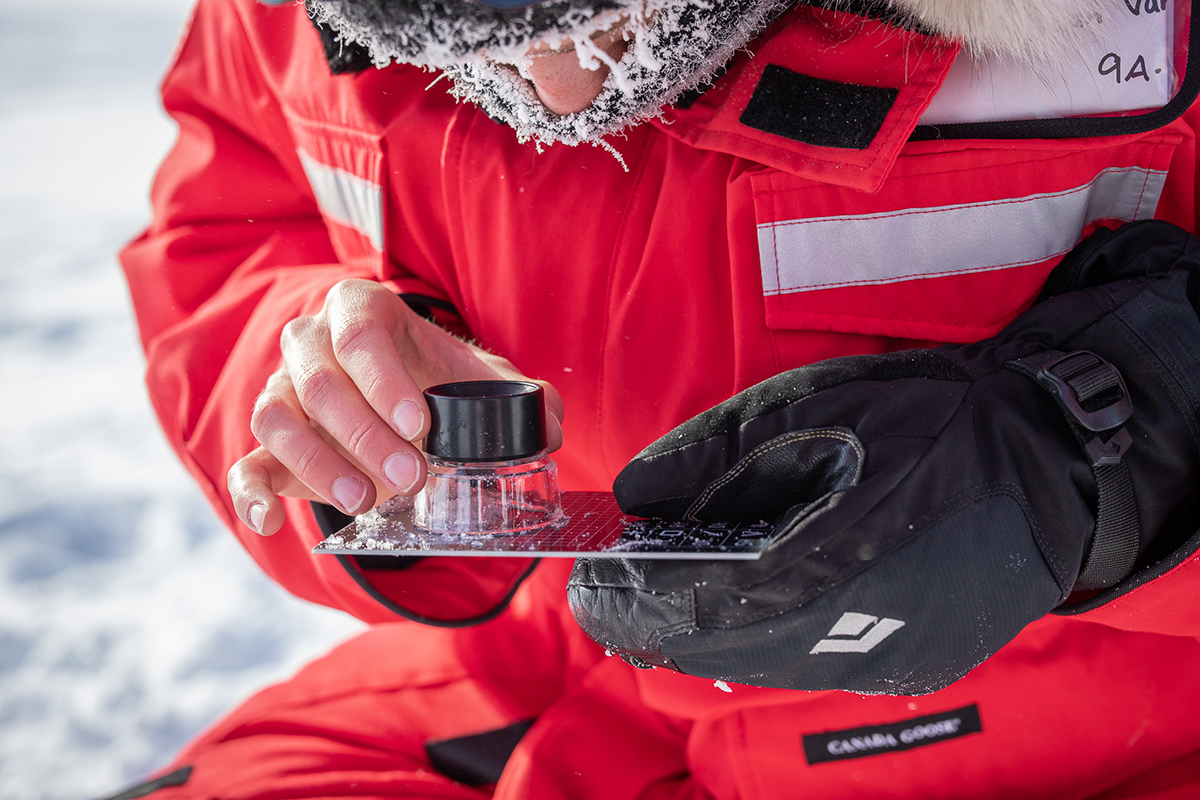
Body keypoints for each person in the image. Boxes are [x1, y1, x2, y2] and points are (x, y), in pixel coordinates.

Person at [114, 0, 1200, 796]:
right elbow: (230, 224)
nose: (562, 96)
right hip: (597, 690)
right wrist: (324, 380)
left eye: (615, 23)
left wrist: (1085, 469)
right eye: (467, 50)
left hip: (1132, 725)